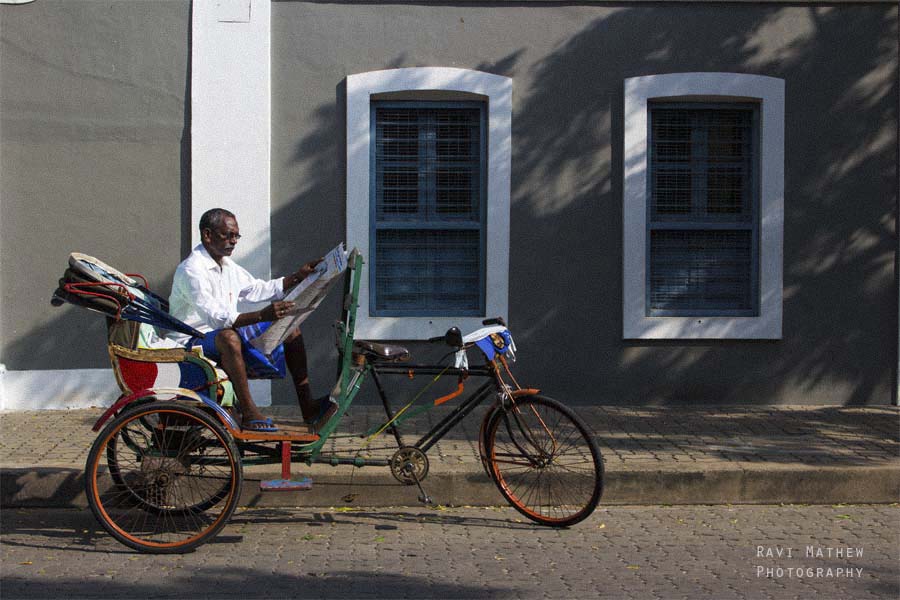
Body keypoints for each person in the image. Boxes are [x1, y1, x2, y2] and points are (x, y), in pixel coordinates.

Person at [168, 208, 337, 432]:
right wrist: (261, 315)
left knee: (291, 329)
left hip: (217, 334)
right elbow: (216, 318)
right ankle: (249, 412)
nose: (233, 241)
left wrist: (298, 277)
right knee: (229, 338)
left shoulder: (225, 264)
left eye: (236, 236)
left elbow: (256, 289)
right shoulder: (192, 269)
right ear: (207, 235)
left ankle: (308, 406)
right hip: (192, 341)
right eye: (228, 235)